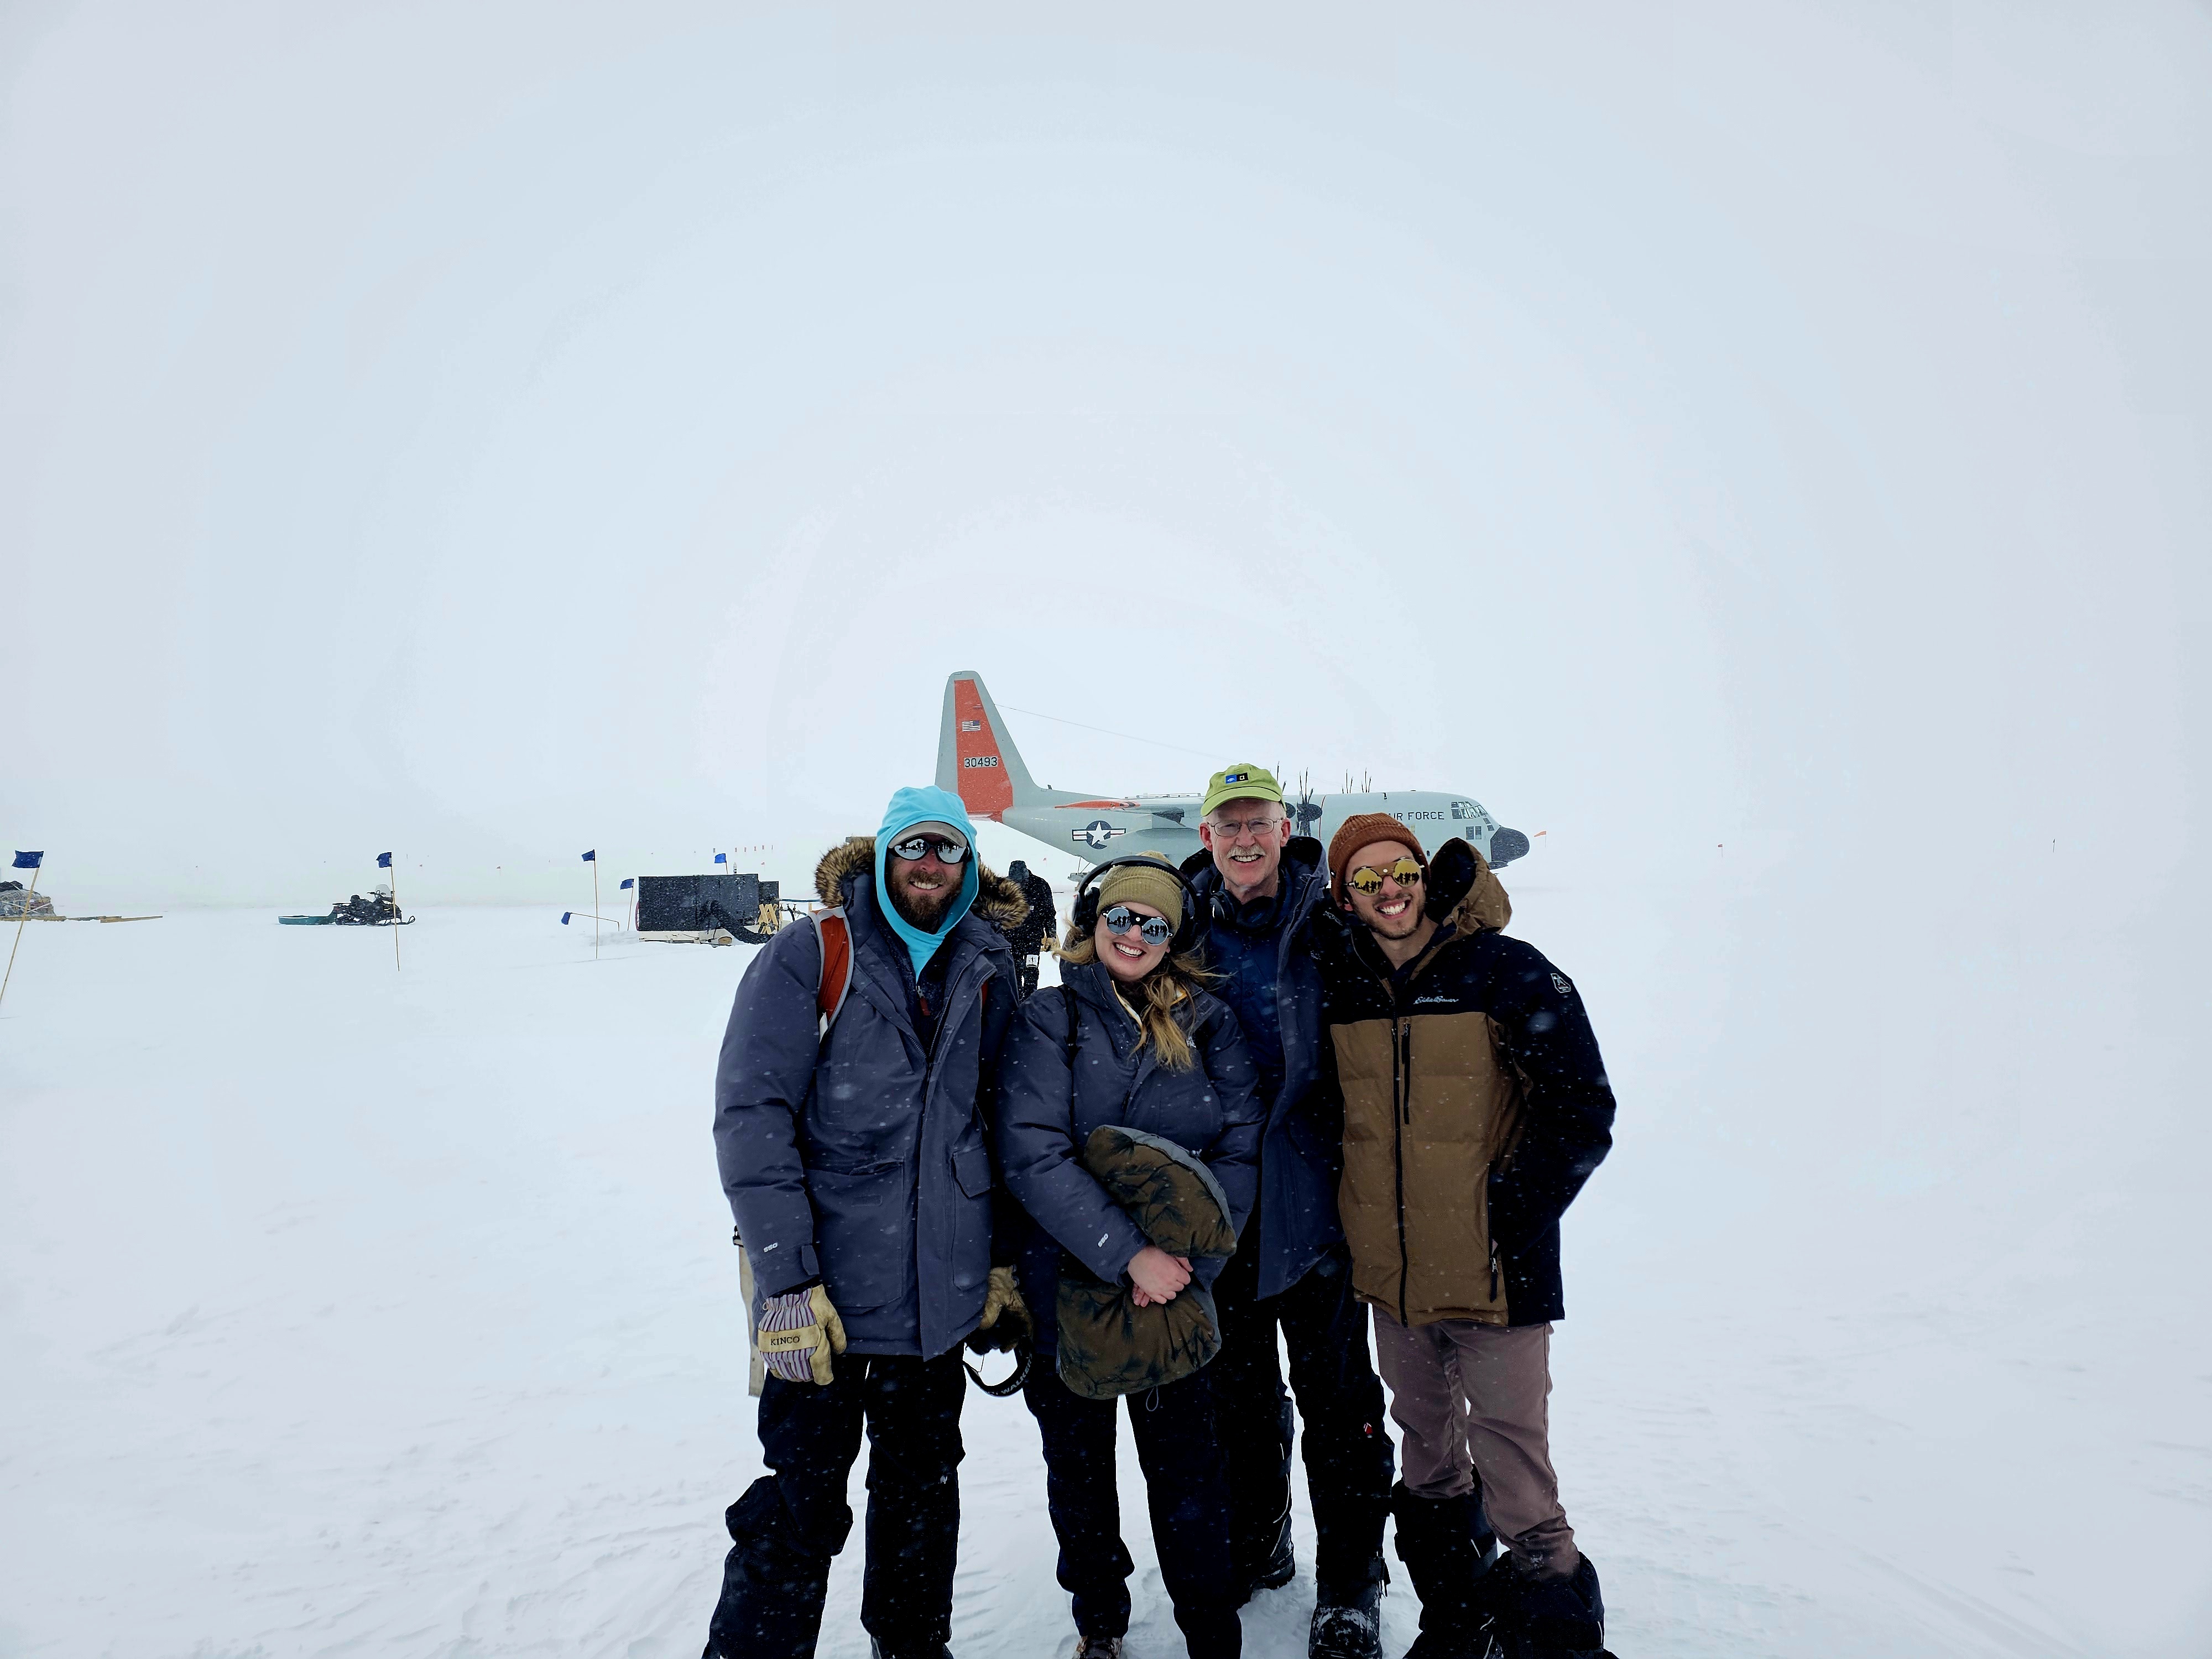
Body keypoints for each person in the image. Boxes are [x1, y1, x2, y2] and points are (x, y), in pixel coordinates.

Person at [706, 785, 1030, 1659]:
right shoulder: (813, 953)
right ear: (885, 854)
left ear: (969, 863)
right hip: (824, 1306)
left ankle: (912, 1646)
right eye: (915, 847)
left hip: (933, 1305)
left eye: (949, 849)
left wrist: (999, 1264)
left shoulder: (988, 966)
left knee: (922, 1499)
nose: (931, 865)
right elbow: (752, 1119)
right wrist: (785, 1280)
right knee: (802, 1505)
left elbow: (995, 1124)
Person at [1317, 815, 1616, 1658]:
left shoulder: (1506, 970)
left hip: (1496, 1279)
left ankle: (1559, 1641)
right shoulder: (1344, 983)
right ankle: (1454, 1618)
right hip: (1396, 1282)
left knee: (1518, 1480)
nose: (1390, 891)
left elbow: (1581, 1110)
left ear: (1426, 873)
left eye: (1401, 870)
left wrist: (1505, 1216)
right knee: (1428, 1465)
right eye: (1367, 881)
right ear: (1347, 898)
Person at [995, 854, 1265, 1659]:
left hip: (1177, 1295)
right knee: (1079, 1477)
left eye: (1154, 923)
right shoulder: (1052, 1020)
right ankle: (1100, 1625)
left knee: (1189, 1480)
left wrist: (1187, 1268)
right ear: (1093, 923)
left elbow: (1241, 1147)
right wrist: (1128, 1255)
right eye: (1121, 917)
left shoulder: (1209, 1022)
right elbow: (1033, 1152)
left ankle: (1211, 1634)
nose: (1136, 934)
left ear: (1174, 935)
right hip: (1066, 1289)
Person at [1178, 766, 1395, 1659]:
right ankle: (1260, 1538)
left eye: (1256, 823)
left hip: (1317, 1201)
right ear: (1206, 840)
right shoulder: (1178, 921)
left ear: (1283, 826)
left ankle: (1351, 1584)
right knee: (1237, 1399)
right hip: (1220, 1207)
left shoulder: (1329, 913)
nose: (1243, 841)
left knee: (1341, 1405)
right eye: (1226, 828)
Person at [1004, 859, 1059, 998]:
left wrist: (1051, 933)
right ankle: (1016, 1000)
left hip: (1032, 938)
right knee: (1014, 971)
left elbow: (1049, 912)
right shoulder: (1004, 887)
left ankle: (1030, 999)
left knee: (1031, 970)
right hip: (1011, 939)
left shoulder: (1040, 886)